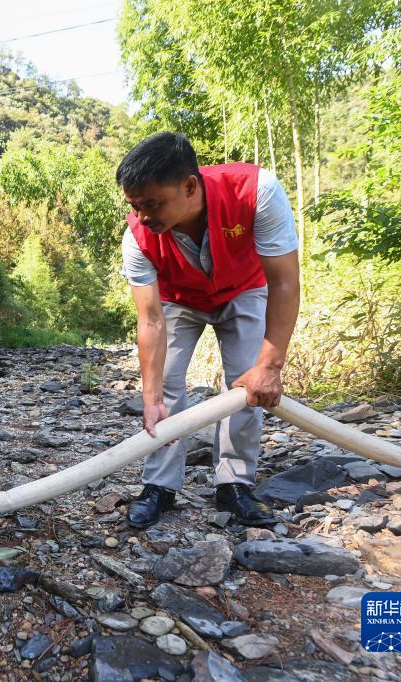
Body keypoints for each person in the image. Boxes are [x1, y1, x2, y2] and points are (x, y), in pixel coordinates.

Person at [116, 131, 300, 529]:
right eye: (134, 205)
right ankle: (159, 486)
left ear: (189, 186)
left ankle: (234, 484)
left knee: (245, 384)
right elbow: (149, 319)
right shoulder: (138, 236)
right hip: (178, 297)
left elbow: (284, 282)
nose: (143, 216)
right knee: (163, 386)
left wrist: (270, 364)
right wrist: (149, 399)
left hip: (245, 288)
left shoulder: (257, 191)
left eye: (152, 203)